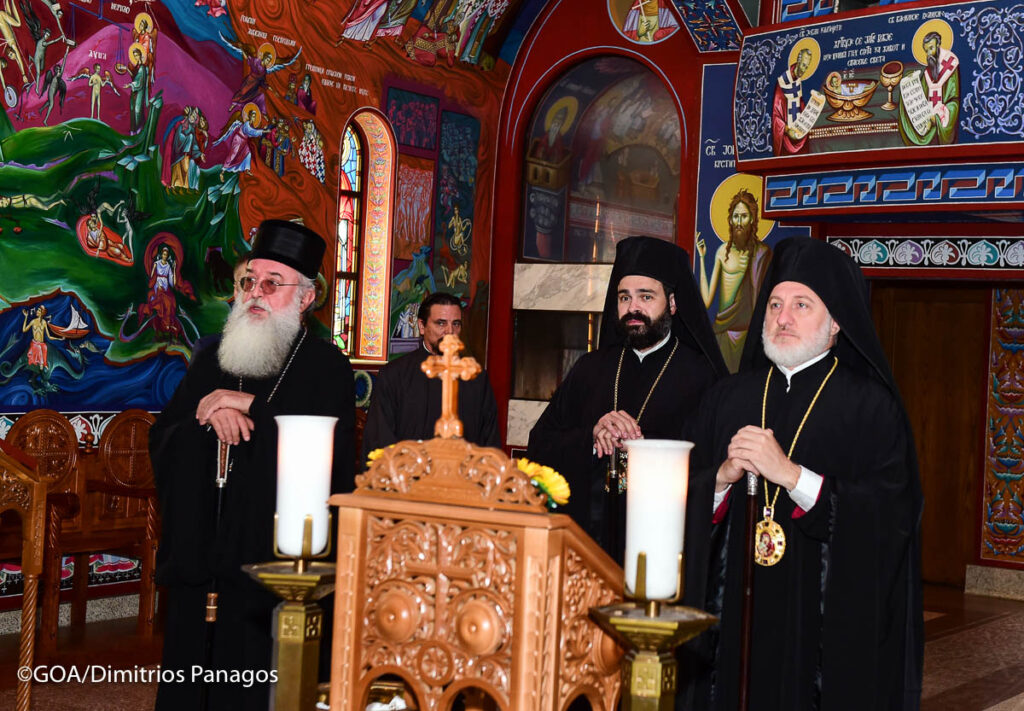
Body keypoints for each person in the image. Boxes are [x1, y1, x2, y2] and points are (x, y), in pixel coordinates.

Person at [685, 236, 923, 710]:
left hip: (823, 631)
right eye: (774, 304)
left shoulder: (871, 408)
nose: (782, 317)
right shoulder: (727, 398)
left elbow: (892, 515)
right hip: (734, 620)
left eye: (801, 305)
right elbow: (680, 498)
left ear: (836, 322)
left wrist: (794, 478)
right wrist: (719, 479)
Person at [151, 220, 356, 711]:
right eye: (248, 281)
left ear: (305, 299)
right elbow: (164, 435)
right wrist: (210, 415)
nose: (255, 293)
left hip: (273, 567)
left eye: (271, 283)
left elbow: (326, 458)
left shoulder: (326, 367)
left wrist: (249, 409)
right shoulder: (211, 358)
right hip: (204, 557)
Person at [527, 236, 726, 562]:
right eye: (624, 297)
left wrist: (642, 449)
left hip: (661, 546)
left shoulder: (703, 378)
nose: (633, 308)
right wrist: (593, 440)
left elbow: (712, 468)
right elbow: (540, 444)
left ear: (673, 304)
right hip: (585, 544)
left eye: (646, 297)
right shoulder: (591, 368)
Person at [362, 291, 500, 460]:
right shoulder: (394, 375)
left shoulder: (474, 375)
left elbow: (489, 441)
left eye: (456, 324)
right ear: (422, 326)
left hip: (463, 482)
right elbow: (379, 440)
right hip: (409, 481)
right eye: (441, 323)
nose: (450, 331)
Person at [697, 189, 773, 373]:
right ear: (730, 220)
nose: (739, 222)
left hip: (750, 337)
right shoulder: (722, 252)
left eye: (744, 216)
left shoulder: (762, 254)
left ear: (753, 220)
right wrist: (701, 258)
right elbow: (706, 301)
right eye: (735, 216)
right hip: (723, 332)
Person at [898, 28, 959, 146]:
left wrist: (936, 119)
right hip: (927, 120)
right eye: (926, 51)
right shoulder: (928, 71)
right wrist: (911, 82)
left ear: (939, 45)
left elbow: (953, 101)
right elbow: (921, 93)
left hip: (941, 120)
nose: (929, 54)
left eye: (931, 48)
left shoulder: (950, 64)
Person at [772, 46, 815, 155]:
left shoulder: (797, 81)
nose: (804, 70)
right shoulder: (783, 81)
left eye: (807, 67)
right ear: (798, 61)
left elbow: (799, 106)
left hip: (799, 133)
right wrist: (787, 130)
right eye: (803, 65)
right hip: (787, 138)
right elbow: (776, 115)